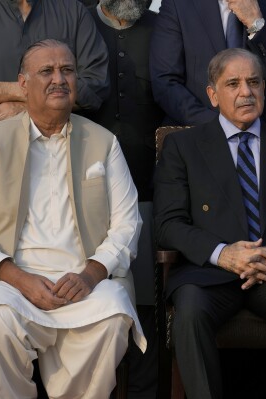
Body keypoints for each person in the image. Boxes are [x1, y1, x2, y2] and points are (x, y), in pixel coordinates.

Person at [0, 39, 146, 399]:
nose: (59, 79)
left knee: (114, 311)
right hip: (8, 279)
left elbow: (127, 225)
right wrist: (16, 276)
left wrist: (91, 274)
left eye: (67, 70)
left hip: (82, 281)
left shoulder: (103, 142)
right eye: (46, 71)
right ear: (23, 85)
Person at [154, 48, 266, 399]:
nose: (245, 92)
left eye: (254, 82)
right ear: (212, 94)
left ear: (265, 90)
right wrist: (223, 254)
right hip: (208, 274)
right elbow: (168, 225)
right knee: (188, 314)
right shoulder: (183, 146)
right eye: (233, 83)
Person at [87, 1, 164, 397]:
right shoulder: (79, 22)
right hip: (83, 195)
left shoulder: (165, 26)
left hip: (151, 188)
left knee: (147, 301)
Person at [0, 0, 109, 172]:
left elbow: (96, 84)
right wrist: (25, 91)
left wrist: (26, 108)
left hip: (64, 159)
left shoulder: (73, 11)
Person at [149, 0, 266, 126]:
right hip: (196, 137)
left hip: (261, 141)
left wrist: (256, 24)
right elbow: (165, 82)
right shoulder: (179, 5)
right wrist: (217, 126)